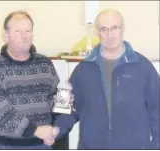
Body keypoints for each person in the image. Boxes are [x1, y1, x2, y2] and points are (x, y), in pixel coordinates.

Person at [47, 9, 160, 149]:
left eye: (115, 28)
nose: (110, 35)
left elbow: (157, 109)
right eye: (104, 29)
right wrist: (57, 129)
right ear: (97, 32)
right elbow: (71, 108)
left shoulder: (143, 67)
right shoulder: (84, 69)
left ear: (122, 29)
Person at [0, 11, 60, 149]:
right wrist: (36, 130)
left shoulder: (45, 64)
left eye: (28, 30)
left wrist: (55, 129)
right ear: (6, 36)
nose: (25, 36)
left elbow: (55, 101)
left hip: (43, 144)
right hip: (9, 145)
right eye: (18, 31)